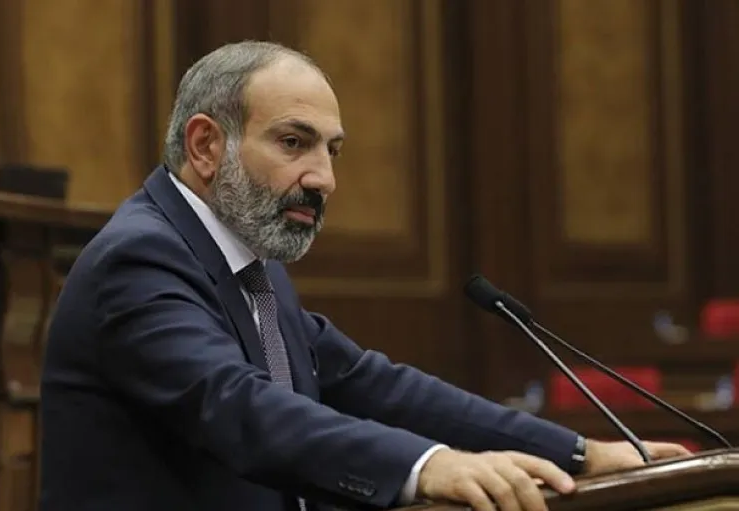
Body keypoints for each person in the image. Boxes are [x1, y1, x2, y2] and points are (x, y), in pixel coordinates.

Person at [39, 41, 690, 511]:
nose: (324, 178)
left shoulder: (248, 264)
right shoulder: (140, 260)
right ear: (207, 146)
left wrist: (579, 452)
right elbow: (239, 407)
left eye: (332, 150)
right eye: (294, 143)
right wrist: (426, 466)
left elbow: (368, 383)